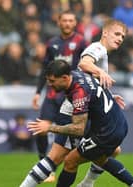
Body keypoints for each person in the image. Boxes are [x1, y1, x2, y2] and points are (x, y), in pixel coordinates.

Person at [28, 60, 133, 187]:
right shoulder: (78, 74)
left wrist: (49, 128)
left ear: (65, 77)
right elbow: (94, 84)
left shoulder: (79, 93)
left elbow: (78, 129)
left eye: (52, 81)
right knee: (101, 159)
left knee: (70, 161)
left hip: (106, 133)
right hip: (119, 123)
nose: (50, 85)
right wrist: (107, 96)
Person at [30, 10, 87, 183]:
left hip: (70, 96)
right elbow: (45, 70)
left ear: (75, 23)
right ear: (59, 23)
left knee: (66, 133)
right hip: (52, 95)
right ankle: (44, 165)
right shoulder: (52, 43)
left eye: (71, 20)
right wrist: (38, 92)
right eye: (65, 20)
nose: (68, 23)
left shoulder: (81, 42)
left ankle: (58, 165)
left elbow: (86, 67)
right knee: (41, 129)